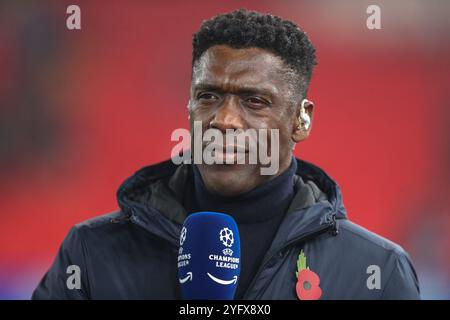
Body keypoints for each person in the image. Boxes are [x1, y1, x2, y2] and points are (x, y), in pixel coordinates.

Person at [32, 9, 420, 299]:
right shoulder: (92, 251)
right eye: (209, 96)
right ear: (189, 106)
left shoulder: (376, 270)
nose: (224, 120)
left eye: (254, 101)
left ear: (301, 120)